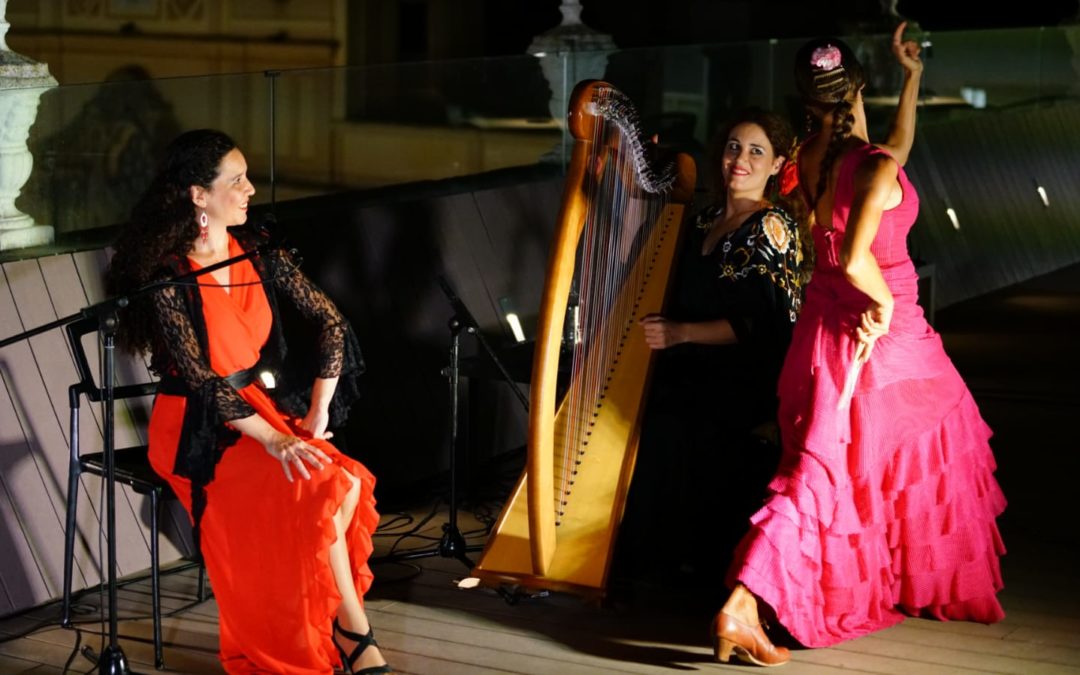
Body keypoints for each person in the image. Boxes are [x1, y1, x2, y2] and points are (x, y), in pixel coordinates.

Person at [712, 24, 1006, 667]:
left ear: (805, 98)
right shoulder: (868, 165)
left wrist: (914, 77)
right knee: (845, 463)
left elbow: (891, 147)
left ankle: (890, 577)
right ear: (855, 90)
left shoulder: (816, 157)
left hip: (819, 326)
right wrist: (886, 304)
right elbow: (852, 257)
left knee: (846, 461)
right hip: (877, 326)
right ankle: (742, 602)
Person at [105, 129, 391, 674]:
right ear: (198, 195)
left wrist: (317, 411)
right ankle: (353, 634)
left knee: (345, 480)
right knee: (321, 483)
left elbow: (331, 321)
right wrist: (276, 439)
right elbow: (199, 380)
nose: (249, 188)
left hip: (257, 410)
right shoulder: (169, 276)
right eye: (235, 180)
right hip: (194, 427)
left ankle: (338, 625)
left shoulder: (257, 248)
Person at [617, 108, 805, 589]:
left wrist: (681, 334)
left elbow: (766, 327)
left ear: (779, 164)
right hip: (687, 367)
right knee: (643, 413)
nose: (740, 159)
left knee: (671, 421)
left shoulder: (772, 228)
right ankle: (648, 563)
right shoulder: (701, 220)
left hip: (741, 378)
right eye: (733, 147)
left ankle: (682, 567)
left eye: (756, 151)